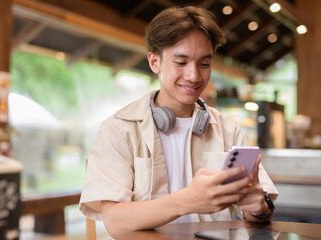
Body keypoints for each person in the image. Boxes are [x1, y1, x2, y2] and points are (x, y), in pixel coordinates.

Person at [79, 5, 278, 239]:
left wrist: (258, 207)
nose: (194, 76)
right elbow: (115, 222)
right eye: (181, 63)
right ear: (155, 63)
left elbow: (259, 216)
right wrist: (185, 201)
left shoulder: (228, 129)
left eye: (204, 64)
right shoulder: (120, 129)